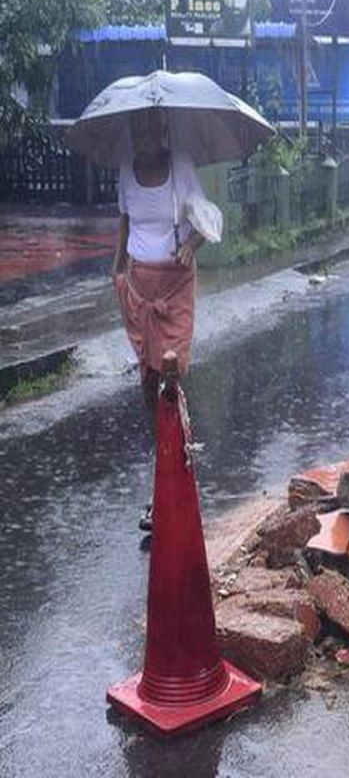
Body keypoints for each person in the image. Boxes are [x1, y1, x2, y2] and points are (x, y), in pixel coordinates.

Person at [113, 107, 207, 530]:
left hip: (174, 287)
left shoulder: (181, 167)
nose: (144, 134)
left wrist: (192, 243)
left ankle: (177, 474)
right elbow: (125, 221)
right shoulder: (125, 170)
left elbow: (208, 221)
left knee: (171, 377)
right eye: (137, 127)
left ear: (163, 128)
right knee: (149, 382)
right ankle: (166, 470)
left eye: (150, 126)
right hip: (138, 284)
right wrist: (117, 270)